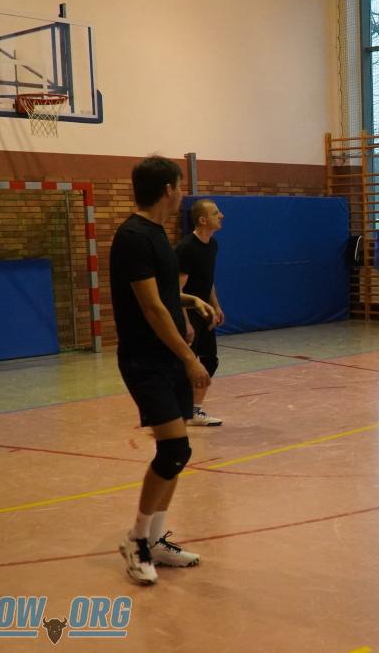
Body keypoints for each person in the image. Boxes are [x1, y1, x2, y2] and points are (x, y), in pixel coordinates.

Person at [111, 156, 215, 585]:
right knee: (172, 450)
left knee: (179, 452)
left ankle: (154, 540)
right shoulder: (134, 237)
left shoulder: (156, 234)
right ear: (168, 189)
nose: (182, 193)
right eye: (180, 185)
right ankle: (136, 541)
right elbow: (151, 307)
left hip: (167, 357)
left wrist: (191, 301)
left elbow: (166, 295)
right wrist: (190, 358)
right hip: (146, 359)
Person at [176, 198, 226, 426]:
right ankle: (176, 411)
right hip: (188, 313)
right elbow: (177, 290)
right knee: (186, 365)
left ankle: (194, 411)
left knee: (209, 362)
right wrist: (185, 323)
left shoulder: (212, 245)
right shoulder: (187, 248)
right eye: (216, 213)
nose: (221, 216)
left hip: (205, 311)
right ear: (203, 220)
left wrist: (216, 306)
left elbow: (208, 279)